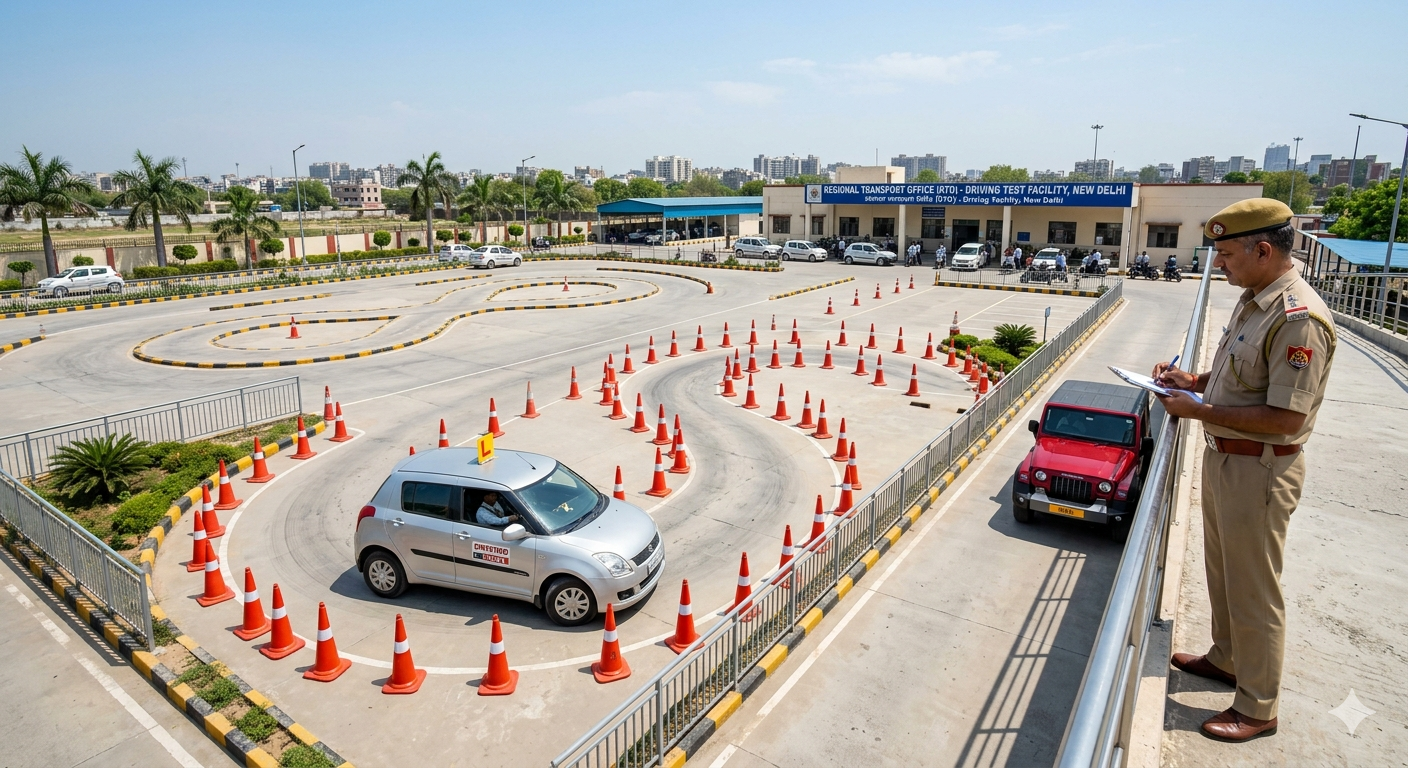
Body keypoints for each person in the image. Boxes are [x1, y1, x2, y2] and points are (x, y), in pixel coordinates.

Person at [1152, 198, 1336, 743]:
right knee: (1225, 573)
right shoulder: (1255, 299)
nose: (1221, 265)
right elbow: (1241, 372)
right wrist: (1195, 381)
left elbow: (1285, 415)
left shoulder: (1297, 318)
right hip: (1228, 460)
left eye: (1228, 254)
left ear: (1263, 249)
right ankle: (1228, 657)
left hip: (1260, 469)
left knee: (1254, 588)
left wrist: (1201, 411)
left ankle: (1258, 707)